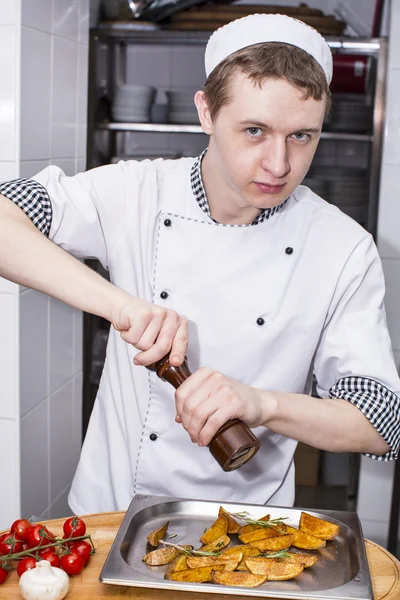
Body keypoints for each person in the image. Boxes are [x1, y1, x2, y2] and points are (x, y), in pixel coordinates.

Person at [0, 14, 398, 514]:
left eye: (302, 137)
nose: (279, 164)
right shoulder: (135, 192)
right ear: (206, 112)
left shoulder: (342, 247)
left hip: (249, 524)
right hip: (113, 511)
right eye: (254, 131)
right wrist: (121, 308)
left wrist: (262, 405)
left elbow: (381, 423)